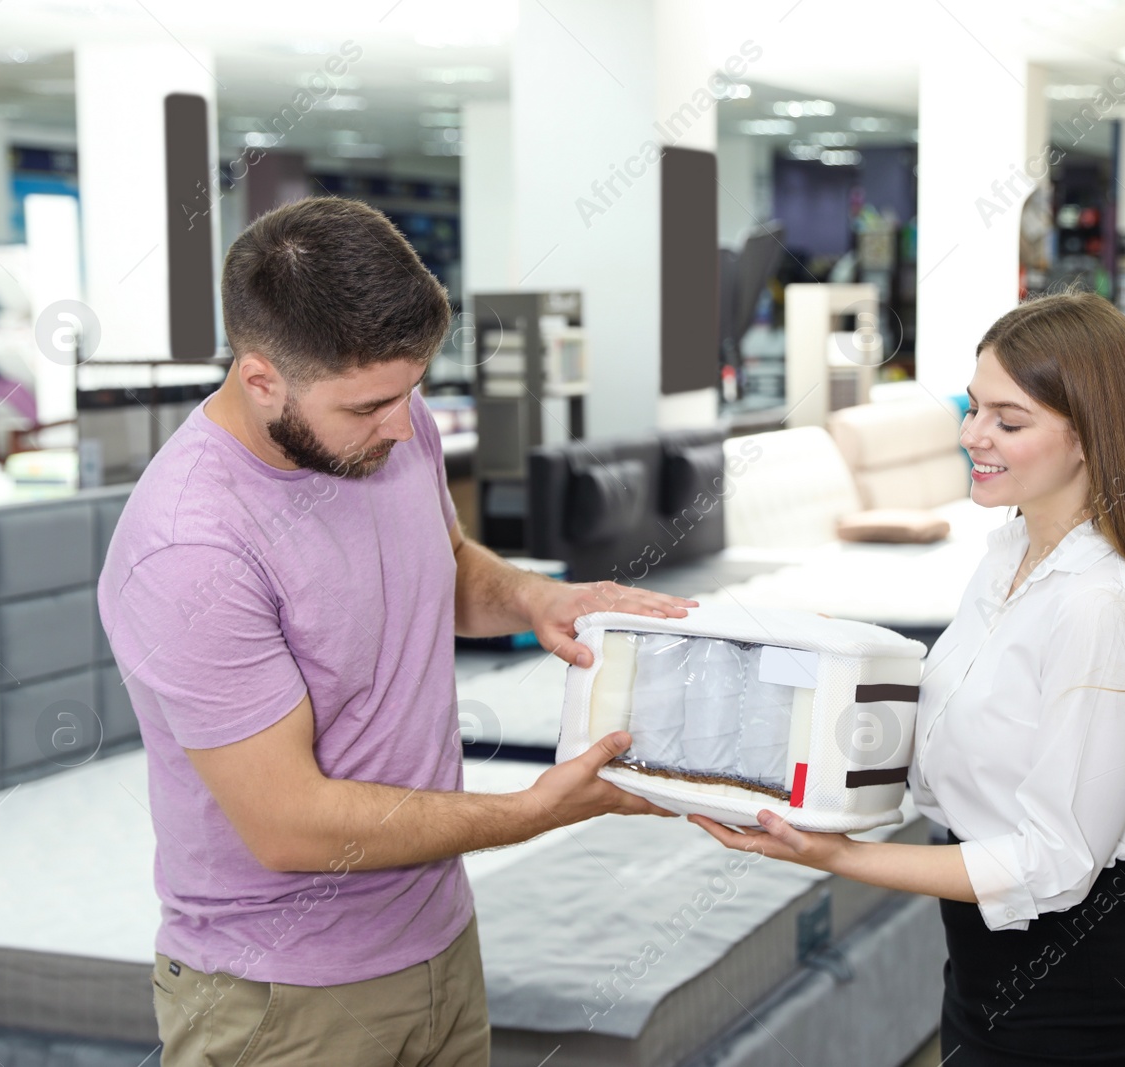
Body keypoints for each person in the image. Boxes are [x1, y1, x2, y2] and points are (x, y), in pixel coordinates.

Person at [98, 196, 690, 1067]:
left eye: (412, 390)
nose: (403, 422)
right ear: (261, 378)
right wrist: (528, 811)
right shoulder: (190, 545)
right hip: (285, 1001)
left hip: (439, 943)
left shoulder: (389, 420)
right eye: (372, 403)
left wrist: (531, 596)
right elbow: (290, 825)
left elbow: (440, 563)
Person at [692, 291, 1125, 1065]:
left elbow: (1054, 864)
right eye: (973, 409)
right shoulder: (1007, 555)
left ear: (1089, 435)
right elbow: (956, 736)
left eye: (1008, 419)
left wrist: (835, 855)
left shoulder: (1101, 607)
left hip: (1078, 1017)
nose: (972, 436)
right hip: (977, 988)